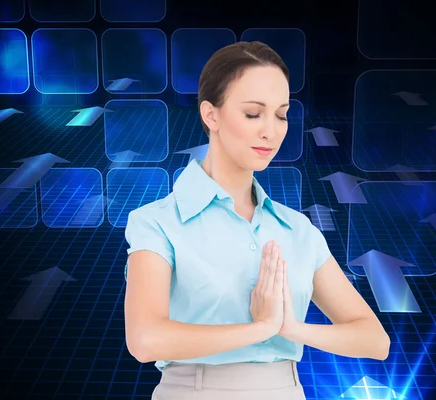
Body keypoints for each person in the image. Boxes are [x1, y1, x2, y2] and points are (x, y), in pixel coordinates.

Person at [123, 41, 390, 400]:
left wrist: (293, 328)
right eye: (253, 113)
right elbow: (145, 340)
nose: (272, 131)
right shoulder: (158, 222)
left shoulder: (297, 230)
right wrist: (261, 327)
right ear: (210, 115)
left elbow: (375, 341)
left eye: (281, 114)